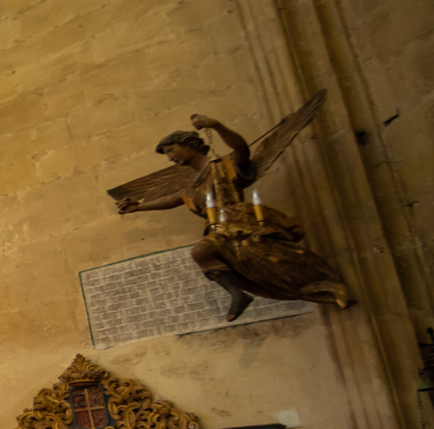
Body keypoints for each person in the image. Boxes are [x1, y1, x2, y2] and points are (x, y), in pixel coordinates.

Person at [116, 114, 352, 321]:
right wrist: (139, 207)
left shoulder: (222, 165)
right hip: (219, 231)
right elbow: (174, 199)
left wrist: (216, 125)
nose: (170, 157)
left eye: (171, 150)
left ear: (188, 144)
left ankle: (326, 284)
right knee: (203, 253)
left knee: (277, 262)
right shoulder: (192, 185)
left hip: (242, 224)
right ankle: (238, 294)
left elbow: (242, 150)